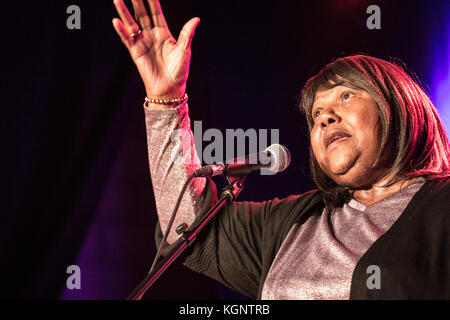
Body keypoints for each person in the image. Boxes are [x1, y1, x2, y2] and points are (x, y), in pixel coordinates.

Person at [113, 0, 450, 299]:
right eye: (316, 114)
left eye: (346, 96)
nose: (325, 118)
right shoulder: (294, 223)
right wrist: (166, 101)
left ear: (397, 105)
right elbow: (186, 228)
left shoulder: (440, 209)